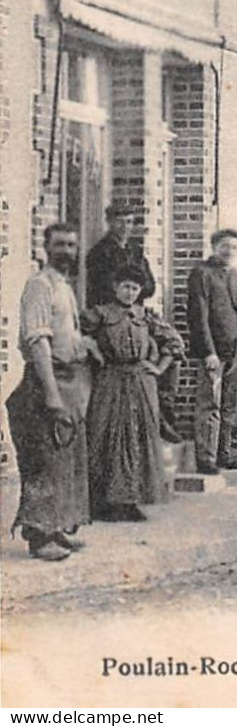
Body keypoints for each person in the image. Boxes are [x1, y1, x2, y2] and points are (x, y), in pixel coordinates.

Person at [9, 223, 99, 560]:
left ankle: (57, 527)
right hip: (46, 380)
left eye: (72, 245)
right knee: (44, 458)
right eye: (59, 245)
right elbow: (38, 342)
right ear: (46, 248)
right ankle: (38, 535)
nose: (67, 251)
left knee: (64, 458)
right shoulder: (39, 285)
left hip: (71, 379)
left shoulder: (64, 286)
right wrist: (51, 395)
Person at [83, 264, 174, 522]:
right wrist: (95, 352)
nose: (130, 292)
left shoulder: (145, 316)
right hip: (110, 380)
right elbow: (78, 335)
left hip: (140, 383)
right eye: (125, 287)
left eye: (134, 288)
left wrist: (158, 368)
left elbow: (174, 342)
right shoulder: (100, 314)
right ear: (115, 287)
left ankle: (130, 500)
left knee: (136, 439)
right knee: (106, 435)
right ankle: (103, 502)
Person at [186, 228, 237, 473]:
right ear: (214, 246)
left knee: (229, 404)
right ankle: (206, 458)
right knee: (209, 403)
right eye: (225, 246)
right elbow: (198, 316)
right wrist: (207, 352)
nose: (229, 251)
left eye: (234, 247)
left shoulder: (233, 274)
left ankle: (224, 453)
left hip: (234, 348)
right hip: (213, 351)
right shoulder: (201, 274)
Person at [84, 203, 157, 312]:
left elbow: (149, 286)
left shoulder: (136, 252)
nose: (124, 227)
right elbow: (102, 286)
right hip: (108, 312)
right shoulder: (100, 252)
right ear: (109, 222)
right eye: (119, 222)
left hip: (134, 311)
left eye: (128, 222)